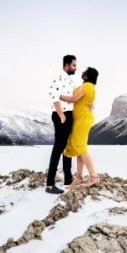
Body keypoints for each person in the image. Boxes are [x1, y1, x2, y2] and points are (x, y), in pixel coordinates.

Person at [61, 67, 100, 188]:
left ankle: (93, 176)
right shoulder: (89, 87)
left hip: (83, 119)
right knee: (79, 148)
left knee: (80, 147)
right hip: (82, 118)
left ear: (87, 76)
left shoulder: (87, 86)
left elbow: (73, 99)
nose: (82, 73)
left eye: (85, 72)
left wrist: (59, 96)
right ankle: (78, 178)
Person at [45, 55, 78, 194]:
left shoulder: (69, 80)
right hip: (61, 115)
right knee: (58, 147)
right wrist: (62, 115)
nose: (75, 67)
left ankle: (67, 179)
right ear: (66, 65)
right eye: (74, 65)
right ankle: (50, 185)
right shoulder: (58, 76)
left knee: (67, 147)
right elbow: (53, 95)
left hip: (68, 114)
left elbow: (71, 98)